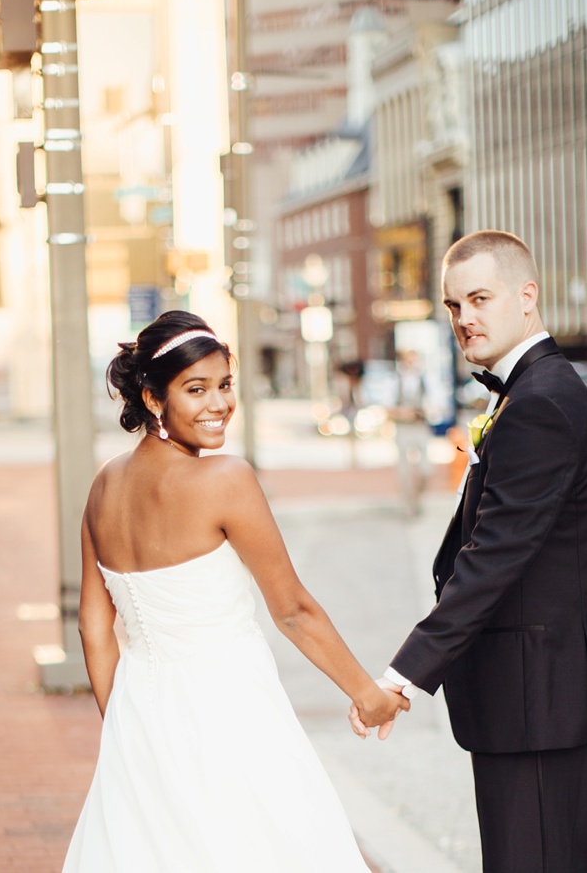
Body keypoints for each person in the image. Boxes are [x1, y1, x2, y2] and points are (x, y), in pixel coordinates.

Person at [63, 310, 407, 873]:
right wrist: (367, 694)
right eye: (195, 389)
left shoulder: (105, 484)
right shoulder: (226, 479)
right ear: (153, 399)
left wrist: (124, 728)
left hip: (137, 711)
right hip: (231, 707)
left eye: (225, 385)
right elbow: (292, 610)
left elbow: (93, 628)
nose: (219, 404)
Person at [353, 230, 587, 872]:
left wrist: (402, 677)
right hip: (537, 698)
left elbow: (491, 559)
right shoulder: (532, 393)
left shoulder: (540, 405)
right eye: (453, 305)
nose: (464, 318)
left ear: (527, 296)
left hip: (540, 699)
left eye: (479, 298)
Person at [387, 349, 432, 515]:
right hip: (403, 427)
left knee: (426, 468)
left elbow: (436, 405)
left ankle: (418, 498)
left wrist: (425, 411)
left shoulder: (426, 380)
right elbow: (387, 408)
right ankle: (408, 503)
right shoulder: (394, 380)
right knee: (404, 469)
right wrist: (402, 413)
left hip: (420, 426)